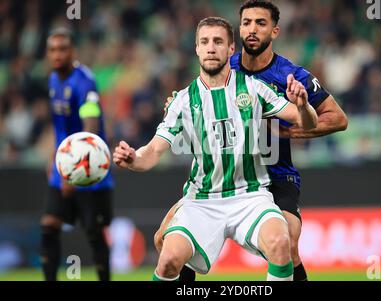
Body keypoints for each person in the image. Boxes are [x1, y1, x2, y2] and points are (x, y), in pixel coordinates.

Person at [113, 17, 318, 281]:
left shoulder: (254, 88)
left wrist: (303, 105)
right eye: (204, 42)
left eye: (218, 41)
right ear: (197, 49)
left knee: (281, 245)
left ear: (231, 48)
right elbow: (151, 152)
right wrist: (132, 158)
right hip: (203, 201)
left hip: (251, 195)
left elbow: (306, 121)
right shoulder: (182, 101)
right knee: (168, 261)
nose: (211, 48)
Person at [156, 0, 348, 281]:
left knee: (288, 242)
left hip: (275, 173)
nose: (252, 29)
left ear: (275, 31)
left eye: (261, 23)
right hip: (225, 178)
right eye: (246, 23)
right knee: (165, 241)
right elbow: (196, 102)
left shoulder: (291, 75)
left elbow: (338, 118)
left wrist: (287, 132)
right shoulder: (224, 66)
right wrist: (176, 107)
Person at [41, 28, 114, 281]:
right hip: (63, 165)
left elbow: (90, 122)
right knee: (49, 225)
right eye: (52, 50)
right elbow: (60, 126)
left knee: (94, 231)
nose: (57, 54)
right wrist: (54, 156)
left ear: (72, 52)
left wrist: (73, 171)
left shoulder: (84, 81)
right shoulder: (52, 80)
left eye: (62, 49)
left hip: (87, 165)